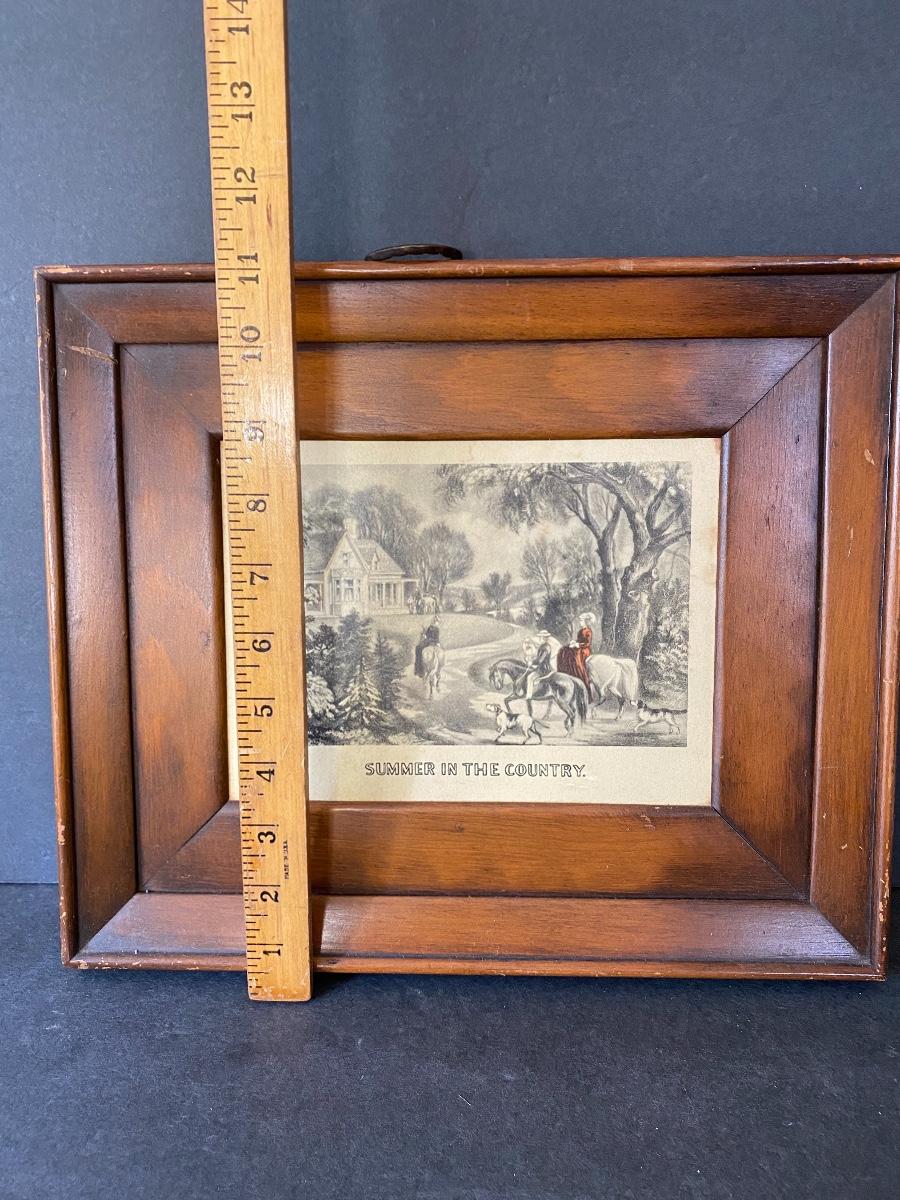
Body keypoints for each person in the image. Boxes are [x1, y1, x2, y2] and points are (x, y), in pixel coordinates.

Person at [557, 612, 594, 692]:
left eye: (581, 621)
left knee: (576, 658)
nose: (580, 622)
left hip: (584, 650)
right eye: (580, 620)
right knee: (564, 650)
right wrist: (574, 642)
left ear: (585, 622)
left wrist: (578, 645)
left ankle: (582, 677)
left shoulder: (588, 631)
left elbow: (587, 643)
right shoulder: (581, 631)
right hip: (578, 647)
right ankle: (567, 672)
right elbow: (579, 640)